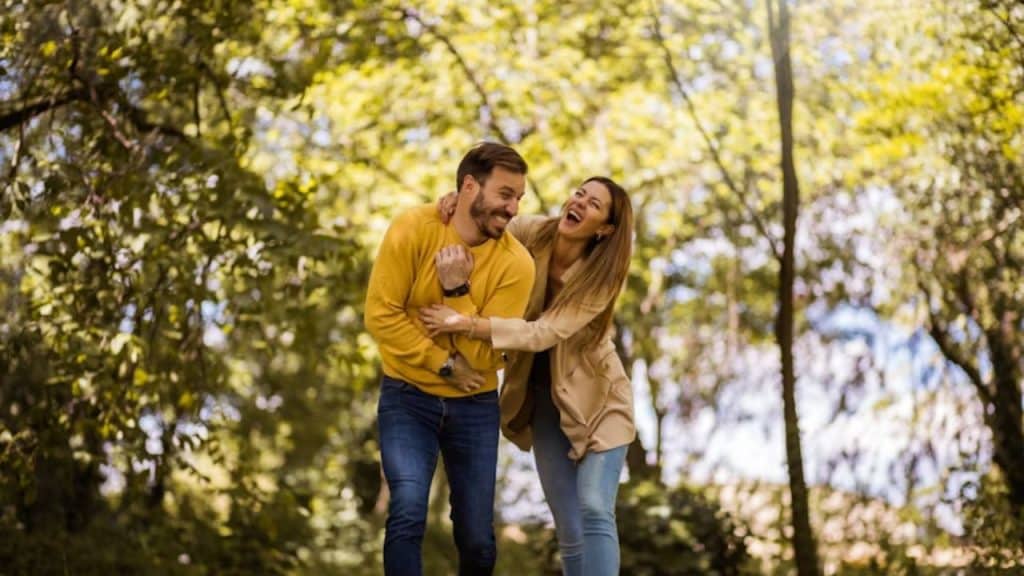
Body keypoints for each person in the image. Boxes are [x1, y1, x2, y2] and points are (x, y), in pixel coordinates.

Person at [420, 176, 636, 576]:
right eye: (579, 194)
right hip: (541, 401)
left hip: (599, 403)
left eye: (593, 204)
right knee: (568, 525)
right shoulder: (533, 232)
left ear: (605, 228)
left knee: (593, 507)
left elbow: (541, 334)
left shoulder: (600, 278)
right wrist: (461, 203)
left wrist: (467, 324)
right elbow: (488, 224)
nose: (579, 203)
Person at [364, 142, 536, 576]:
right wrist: (442, 361)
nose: (513, 208)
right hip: (407, 395)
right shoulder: (413, 228)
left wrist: (459, 294)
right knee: (406, 512)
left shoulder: (516, 264)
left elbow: (490, 354)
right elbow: (381, 316)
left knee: (477, 537)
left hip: (474, 406)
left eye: (519, 198)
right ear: (468, 187)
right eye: (505, 194)